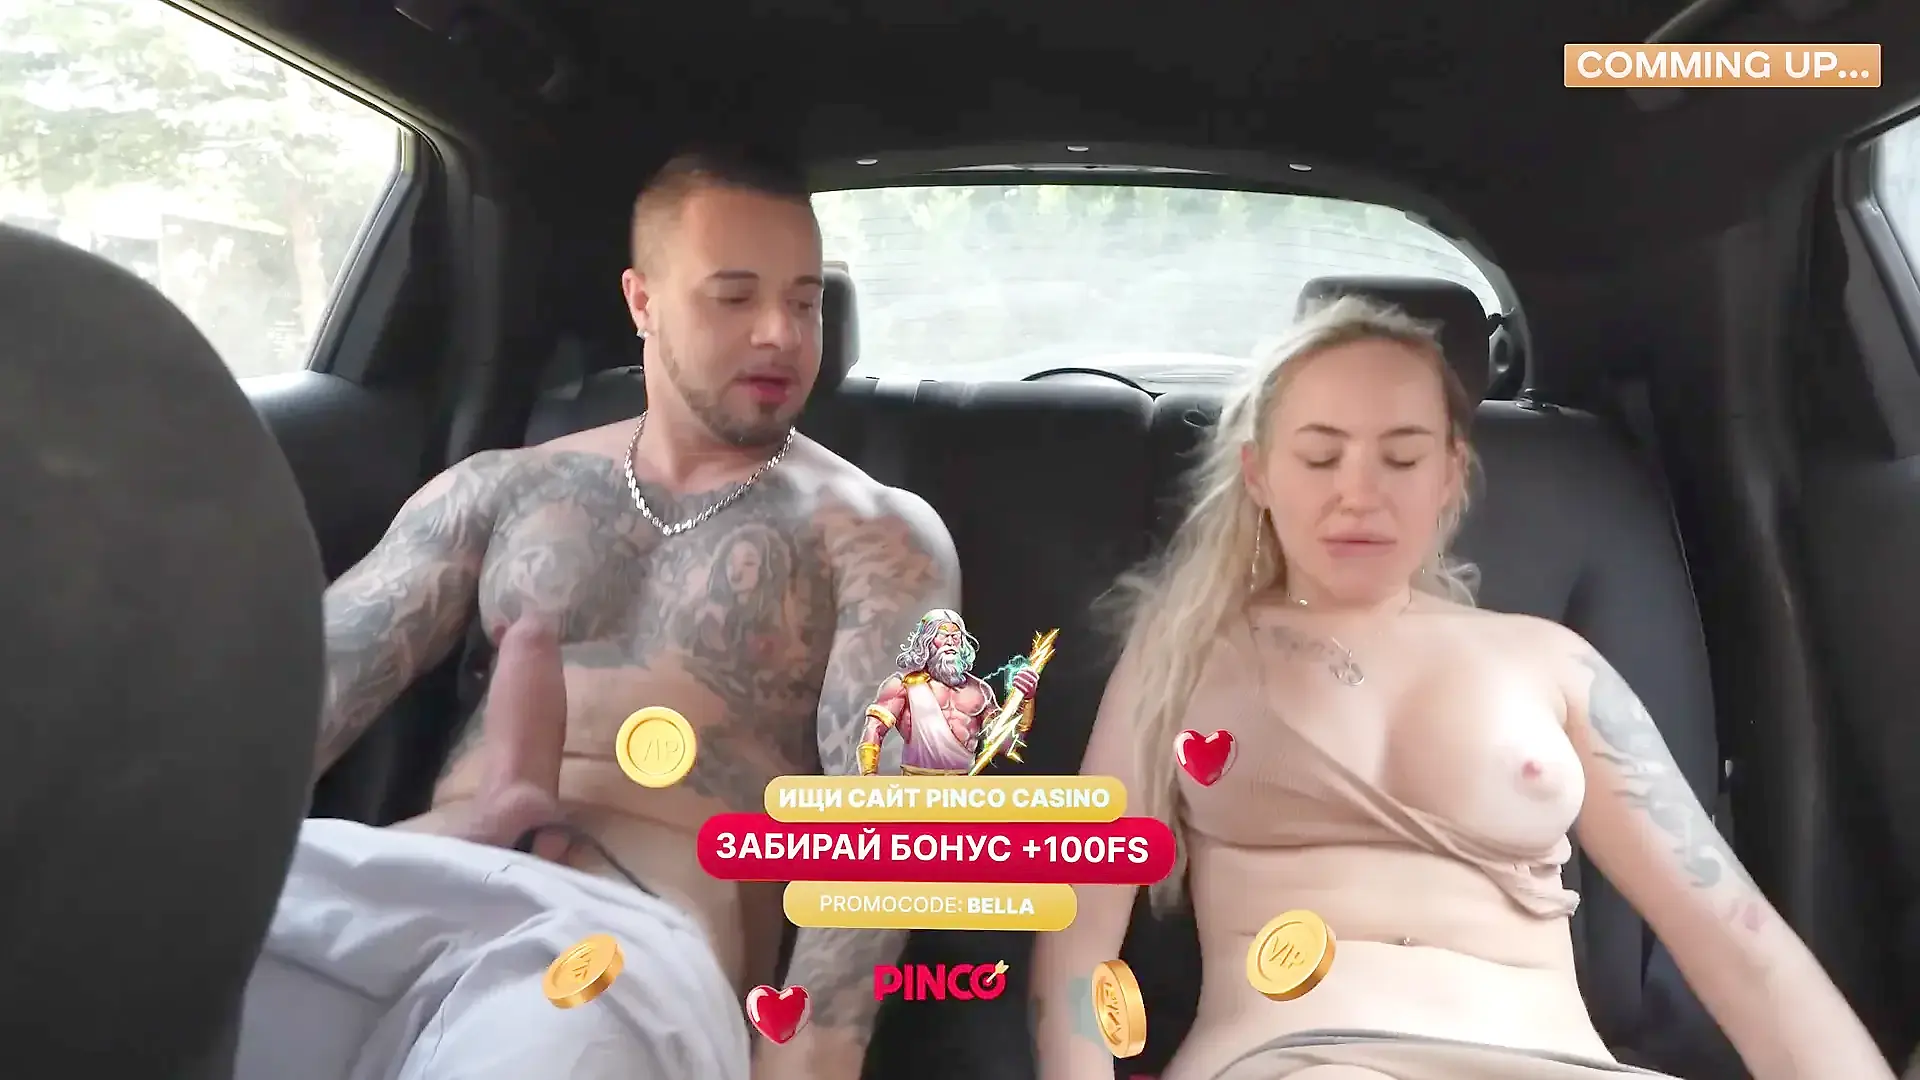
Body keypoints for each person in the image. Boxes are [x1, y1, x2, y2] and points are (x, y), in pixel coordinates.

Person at [1029, 296, 1894, 1080]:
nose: (1358, 495)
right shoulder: (1180, 653)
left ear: (1449, 474)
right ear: (1258, 474)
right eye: (1320, 457)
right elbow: (1076, 943)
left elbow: (1742, 946)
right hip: (1298, 1059)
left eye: (1401, 458)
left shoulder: (1552, 664)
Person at [237, 148, 960, 1080]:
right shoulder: (497, 489)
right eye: (735, 296)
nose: (780, 333)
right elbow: (289, 715)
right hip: (393, 884)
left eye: (805, 301)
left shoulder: (879, 536)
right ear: (642, 301)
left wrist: (810, 1061)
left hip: (625, 943)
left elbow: (885, 820)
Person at [856, 609, 1041, 776]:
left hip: (962, 790)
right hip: (917, 786)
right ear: (926, 641)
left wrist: (1024, 699)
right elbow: (874, 729)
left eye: (956, 636)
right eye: (943, 636)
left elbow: (1006, 742)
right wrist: (869, 776)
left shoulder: (980, 691)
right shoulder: (903, 685)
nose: (950, 642)